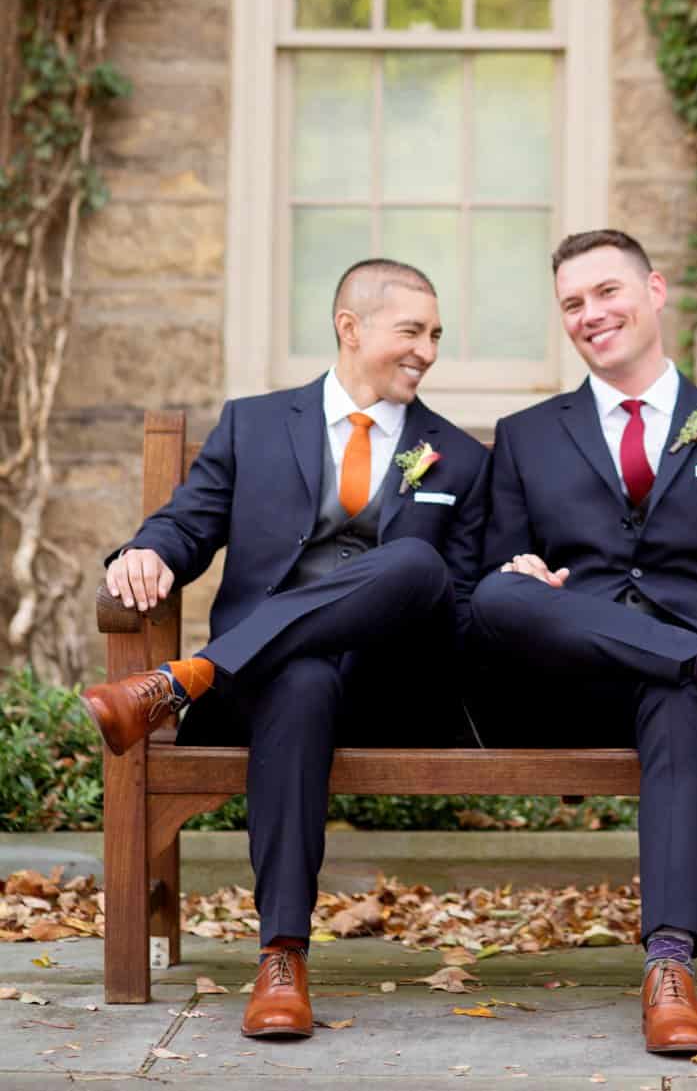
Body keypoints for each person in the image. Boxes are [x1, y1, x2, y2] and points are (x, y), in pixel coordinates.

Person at [83, 258, 489, 1040]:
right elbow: (188, 523)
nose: (428, 350)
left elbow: (464, 603)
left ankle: (188, 676)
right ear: (351, 327)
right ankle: (282, 956)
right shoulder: (255, 424)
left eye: (436, 334)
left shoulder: (461, 458)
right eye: (412, 330)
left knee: (415, 561)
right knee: (301, 676)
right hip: (271, 690)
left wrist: (524, 572)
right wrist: (145, 552)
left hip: (395, 691)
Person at [468, 229, 697, 1057]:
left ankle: (669, 967)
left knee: (678, 687)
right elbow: (494, 572)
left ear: (656, 290)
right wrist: (524, 569)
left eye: (607, 291)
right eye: (573, 303)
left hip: (686, 697)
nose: (591, 314)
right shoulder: (527, 435)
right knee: (498, 593)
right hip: (567, 683)